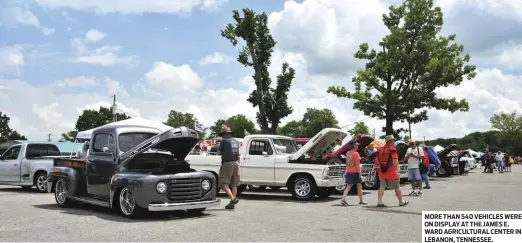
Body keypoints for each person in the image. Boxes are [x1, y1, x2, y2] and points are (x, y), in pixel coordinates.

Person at [375, 135, 408, 207]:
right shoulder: (392, 149)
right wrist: (397, 171)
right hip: (392, 172)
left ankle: (380, 202)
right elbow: (395, 161)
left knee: (382, 187)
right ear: (390, 141)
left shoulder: (380, 149)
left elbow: (377, 161)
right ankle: (401, 201)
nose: (394, 142)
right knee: (397, 187)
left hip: (382, 172)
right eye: (393, 140)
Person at [218, 126, 241, 209]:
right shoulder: (235, 141)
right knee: (234, 183)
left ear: (224, 134)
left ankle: (233, 199)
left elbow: (219, 152)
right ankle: (232, 204)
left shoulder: (224, 141)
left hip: (227, 163)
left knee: (223, 183)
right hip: (235, 163)